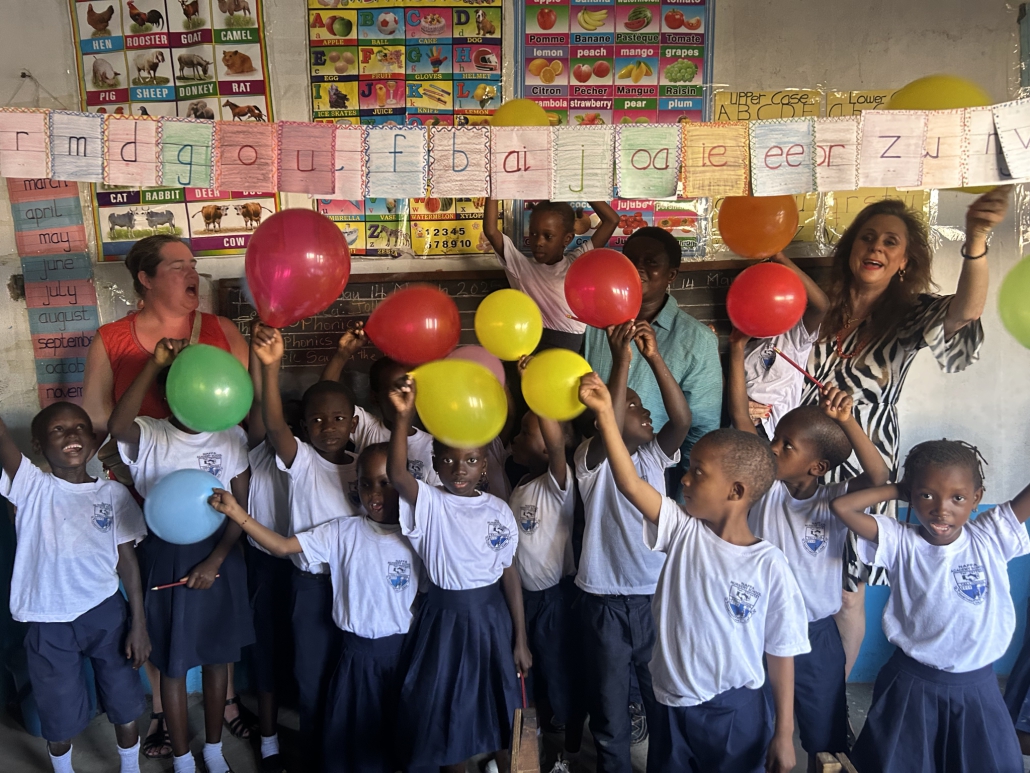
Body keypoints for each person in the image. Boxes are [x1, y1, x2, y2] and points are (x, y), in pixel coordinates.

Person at [797, 187, 1010, 679]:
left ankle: (830, 707)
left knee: (846, 594)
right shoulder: (818, 306)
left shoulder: (911, 312)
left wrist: (976, 239)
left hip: (864, 461)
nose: (876, 247)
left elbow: (965, 313)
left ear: (903, 261)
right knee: (793, 576)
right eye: (867, 237)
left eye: (890, 242)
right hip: (801, 462)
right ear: (851, 247)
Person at [577, 374, 809, 773]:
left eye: (698, 472)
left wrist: (784, 733)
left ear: (736, 491)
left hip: (734, 711)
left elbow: (781, 650)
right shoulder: (682, 529)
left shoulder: (769, 565)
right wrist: (604, 415)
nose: (684, 478)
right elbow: (629, 483)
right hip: (670, 705)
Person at [82, 235, 251, 759]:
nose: (191, 272)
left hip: (214, 489)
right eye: (177, 266)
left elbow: (242, 407)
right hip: (142, 488)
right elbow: (97, 421)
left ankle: (226, 704)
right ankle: (161, 711)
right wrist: (126, 475)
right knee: (158, 610)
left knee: (215, 615)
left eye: (192, 264)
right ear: (146, 279)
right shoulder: (112, 339)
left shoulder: (221, 331)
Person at [210, 443, 422, 773]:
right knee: (352, 739)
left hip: (402, 656)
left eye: (386, 482)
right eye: (366, 483)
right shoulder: (343, 532)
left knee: (396, 735)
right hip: (355, 657)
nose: (375, 493)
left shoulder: (418, 536)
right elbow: (283, 546)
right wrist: (238, 514)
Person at [728, 341, 889, 769]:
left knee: (826, 733)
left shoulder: (837, 500)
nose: (772, 448)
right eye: (775, 439)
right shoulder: (765, 487)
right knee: (758, 725)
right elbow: (742, 420)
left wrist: (847, 421)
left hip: (817, 636)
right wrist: (737, 350)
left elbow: (878, 476)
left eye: (786, 446)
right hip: (761, 630)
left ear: (817, 467)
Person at [830, 440, 1030, 773]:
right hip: (912, 684)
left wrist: (914, 490)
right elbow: (842, 507)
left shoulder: (990, 536)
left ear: (976, 498)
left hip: (977, 688)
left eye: (957, 498)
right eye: (926, 495)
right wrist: (899, 489)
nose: (941, 509)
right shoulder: (899, 539)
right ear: (911, 495)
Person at [108, 339, 253, 773]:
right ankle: (183, 757)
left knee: (217, 657)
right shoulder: (151, 433)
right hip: (165, 554)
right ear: (175, 391)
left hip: (220, 555)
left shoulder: (231, 436)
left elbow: (240, 510)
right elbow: (117, 426)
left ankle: (214, 750)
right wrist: (154, 364)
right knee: (174, 661)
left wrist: (216, 561)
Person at [387, 377, 532, 773]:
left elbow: (509, 574)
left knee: (506, 705)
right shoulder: (430, 502)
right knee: (447, 710)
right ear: (435, 463)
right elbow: (397, 474)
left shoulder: (498, 510)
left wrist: (520, 638)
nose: (459, 470)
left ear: (485, 465)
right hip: (444, 622)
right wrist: (403, 417)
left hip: (492, 620)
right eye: (449, 461)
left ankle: (510, 764)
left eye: (470, 460)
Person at [1, 403, 149, 773]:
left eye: (81, 427)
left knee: (124, 700)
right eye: (58, 429)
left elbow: (127, 562)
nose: (72, 435)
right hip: (48, 620)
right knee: (57, 711)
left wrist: (139, 623)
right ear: (38, 445)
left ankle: (130, 767)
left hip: (106, 613)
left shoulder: (113, 495)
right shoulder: (31, 486)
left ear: (94, 440)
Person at [575, 321, 691, 773]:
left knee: (662, 696)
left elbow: (681, 421)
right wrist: (620, 359)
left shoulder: (653, 457)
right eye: (633, 406)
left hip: (655, 599)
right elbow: (610, 417)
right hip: (604, 601)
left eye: (643, 406)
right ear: (603, 416)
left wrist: (653, 357)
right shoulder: (592, 460)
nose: (644, 413)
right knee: (610, 707)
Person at [251, 323, 362, 772]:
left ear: (354, 424)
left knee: (347, 675)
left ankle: (345, 754)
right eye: (316, 420)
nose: (328, 427)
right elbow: (275, 424)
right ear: (304, 428)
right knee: (313, 678)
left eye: (338, 419)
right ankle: (318, 759)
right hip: (312, 587)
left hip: (354, 586)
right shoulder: (301, 461)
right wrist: (271, 367)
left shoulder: (362, 467)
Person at [582, 227, 722, 494]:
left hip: (654, 472)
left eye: (651, 262)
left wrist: (687, 501)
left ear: (671, 275)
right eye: (630, 260)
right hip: (593, 468)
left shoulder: (698, 340)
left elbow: (700, 431)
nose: (637, 268)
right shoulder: (595, 325)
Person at [508, 397, 580, 770]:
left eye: (526, 432)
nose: (516, 438)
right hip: (525, 598)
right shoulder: (520, 483)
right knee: (529, 670)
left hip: (554, 598)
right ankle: (531, 746)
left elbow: (555, 446)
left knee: (558, 670)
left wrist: (538, 395)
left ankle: (569, 746)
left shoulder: (558, 485)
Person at [242, 332, 293, 773]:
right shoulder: (257, 452)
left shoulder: (308, 460)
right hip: (263, 564)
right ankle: (269, 739)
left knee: (301, 651)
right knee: (265, 651)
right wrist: (258, 355)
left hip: (303, 567)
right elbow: (261, 406)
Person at [483, 198, 620, 352]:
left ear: (567, 239)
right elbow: (491, 231)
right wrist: (493, 189)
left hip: (570, 354)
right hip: (532, 350)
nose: (538, 242)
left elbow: (612, 220)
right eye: (533, 234)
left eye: (548, 236)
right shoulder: (520, 266)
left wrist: (584, 190)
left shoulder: (577, 263)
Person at [320, 325, 440, 485]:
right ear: (375, 398)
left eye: (408, 390)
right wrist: (342, 354)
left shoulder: (431, 446)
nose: (403, 399)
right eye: (395, 391)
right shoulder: (367, 428)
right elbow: (326, 399)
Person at [739, 253, 829, 437]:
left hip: (776, 433)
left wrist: (780, 257)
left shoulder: (793, 337)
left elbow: (822, 306)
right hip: (743, 428)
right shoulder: (741, 346)